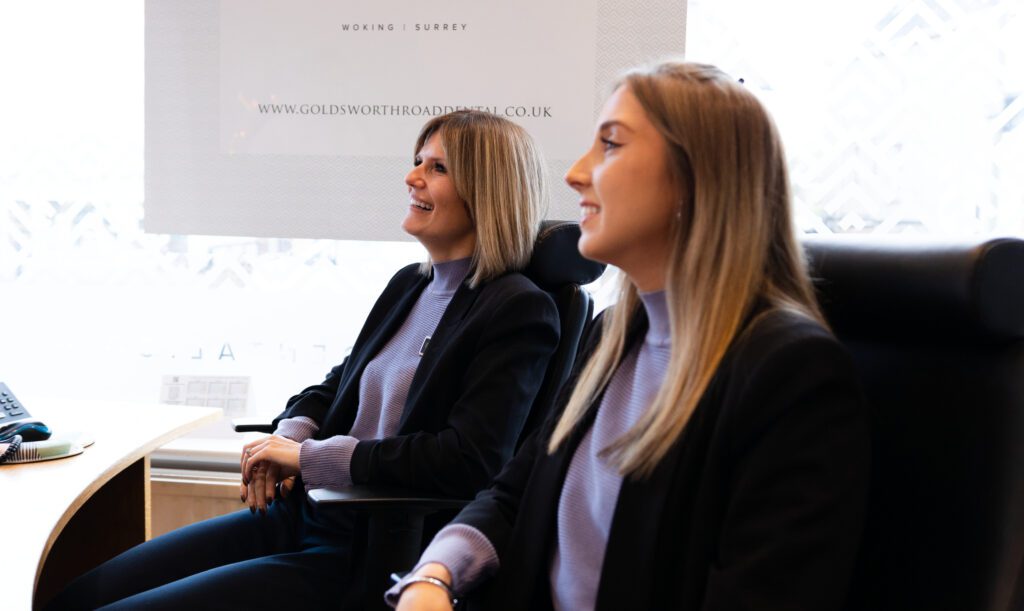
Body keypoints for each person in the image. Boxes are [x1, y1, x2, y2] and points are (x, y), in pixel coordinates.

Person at [390, 61, 870, 611]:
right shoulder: (614, 337)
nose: (575, 173)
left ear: (698, 178)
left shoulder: (790, 374)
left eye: (611, 146)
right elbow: (512, 494)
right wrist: (434, 574)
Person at [46, 110, 560, 610]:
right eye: (418, 161)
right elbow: (338, 385)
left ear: (486, 190)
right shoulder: (411, 284)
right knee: (76, 597)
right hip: (304, 512)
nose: (411, 177)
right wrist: (288, 438)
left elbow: (468, 460)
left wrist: (311, 459)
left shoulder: (517, 308)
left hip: (365, 547)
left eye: (436, 168)